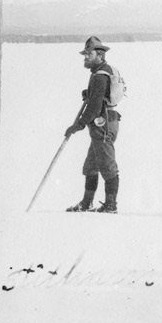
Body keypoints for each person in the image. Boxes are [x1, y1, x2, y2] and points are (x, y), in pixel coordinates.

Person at [64, 36, 121, 214]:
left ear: (100, 55)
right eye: (85, 54)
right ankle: (87, 203)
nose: (86, 57)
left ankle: (111, 205)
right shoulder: (101, 73)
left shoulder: (100, 76)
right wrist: (89, 93)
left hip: (103, 126)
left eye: (89, 54)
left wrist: (78, 125)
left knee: (107, 166)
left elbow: (95, 107)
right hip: (103, 124)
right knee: (91, 166)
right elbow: (98, 98)